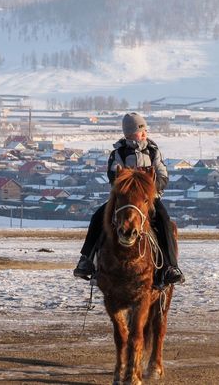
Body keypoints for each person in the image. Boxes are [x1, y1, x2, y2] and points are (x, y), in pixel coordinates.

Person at [73, 112, 185, 285]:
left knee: (164, 221)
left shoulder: (153, 151)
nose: (145, 133)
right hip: (123, 200)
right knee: (97, 218)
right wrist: (129, 183)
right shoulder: (118, 152)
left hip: (148, 199)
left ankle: (170, 266)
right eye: (142, 130)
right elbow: (114, 175)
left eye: (145, 130)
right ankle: (86, 259)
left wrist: (149, 188)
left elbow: (162, 174)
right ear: (131, 133)